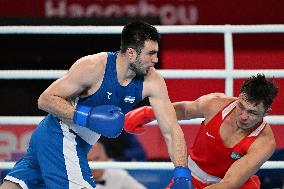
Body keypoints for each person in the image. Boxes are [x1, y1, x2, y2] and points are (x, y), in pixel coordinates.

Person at [0, 21, 190, 189]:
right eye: (150, 54)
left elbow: (171, 130)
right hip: (59, 135)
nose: (155, 60)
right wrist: (87, 116)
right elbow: (45, 99)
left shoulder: (153, 82)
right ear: (131, 53)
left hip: (73, 144)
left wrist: (181, 172)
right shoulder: (94, 67)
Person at [124, 74, 279, 189]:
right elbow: (184, 110)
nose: (244, 116)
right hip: (192, 177)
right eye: (241, 106)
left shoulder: (264, 143)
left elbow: (230, 183)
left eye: (252, 113)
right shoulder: (215, 104)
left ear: (266, 112)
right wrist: (149, 113)